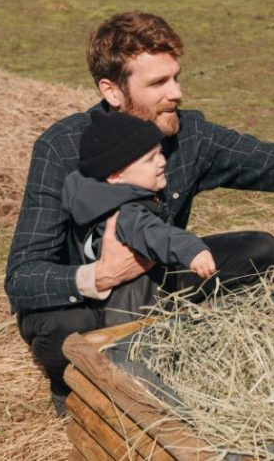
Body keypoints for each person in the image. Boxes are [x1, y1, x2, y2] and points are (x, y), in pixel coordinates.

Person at [4, 12, 274, 415]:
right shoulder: (61, 147)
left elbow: (270, 159)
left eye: (176, 77)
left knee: (261, 251)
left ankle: (179, 349)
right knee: (63, 327)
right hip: (85, 301)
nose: (177, 92)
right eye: (159, 83)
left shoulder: (188, 134)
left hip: (157, 279)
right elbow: (22, 277)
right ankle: (77, 388)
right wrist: (100, 275)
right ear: (112, 91)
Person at [62, 109, 218, 328]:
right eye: (149, 159)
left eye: (160, 152)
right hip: (129, 318)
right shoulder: (122, 211)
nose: (162, 162)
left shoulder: (105, 196)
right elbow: (152, 233)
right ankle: (128, 357)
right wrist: (190, 249)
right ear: (116, 176)